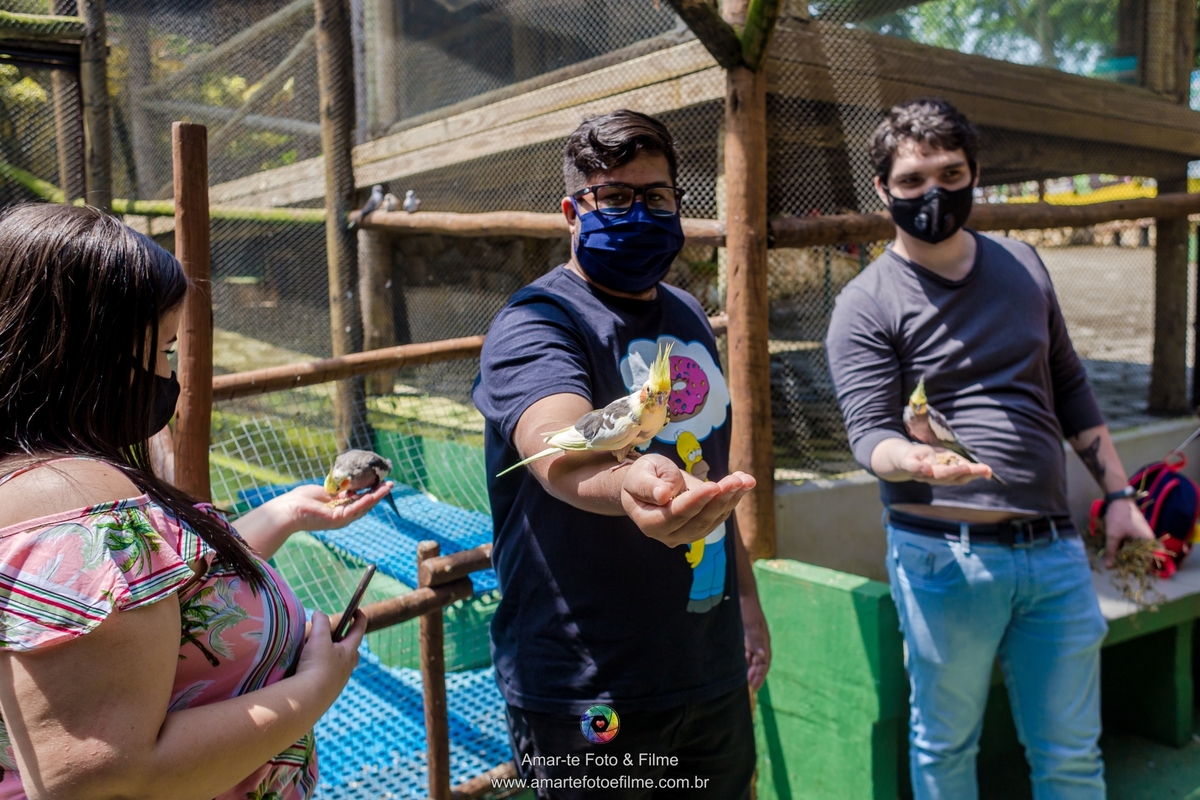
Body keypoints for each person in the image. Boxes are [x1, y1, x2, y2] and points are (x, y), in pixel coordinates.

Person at [0, 203, 392, 800]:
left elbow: (150, 587)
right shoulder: (76, 507)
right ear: (90, 355)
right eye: (163, 350)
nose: (169, 375)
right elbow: (104, 778)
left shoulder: (44, 483)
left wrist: (285, 514)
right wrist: (315, 686)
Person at [825, 97, 1156, 800]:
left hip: (1054, 549)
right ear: (882, 189)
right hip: (944, 559)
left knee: (1072, 758)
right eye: (912, 180)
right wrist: (912, 459)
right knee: (946, 748)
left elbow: (1069, 384)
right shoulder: (866, 302)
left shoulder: (1023, 263)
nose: (933, 193)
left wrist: (1121, 495)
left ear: (975, 174)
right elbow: (869, 432)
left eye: (950, 174)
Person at [473, 109, 768, 799]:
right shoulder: (536, 321)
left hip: (706, 670)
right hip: (587, 690)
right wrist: (629, 479)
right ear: (572, 212)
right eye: (614, 197)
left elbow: (711, 477)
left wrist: (748, 601)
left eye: (656, 196)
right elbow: (555, 442)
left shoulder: (688, 314)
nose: (639, 212)